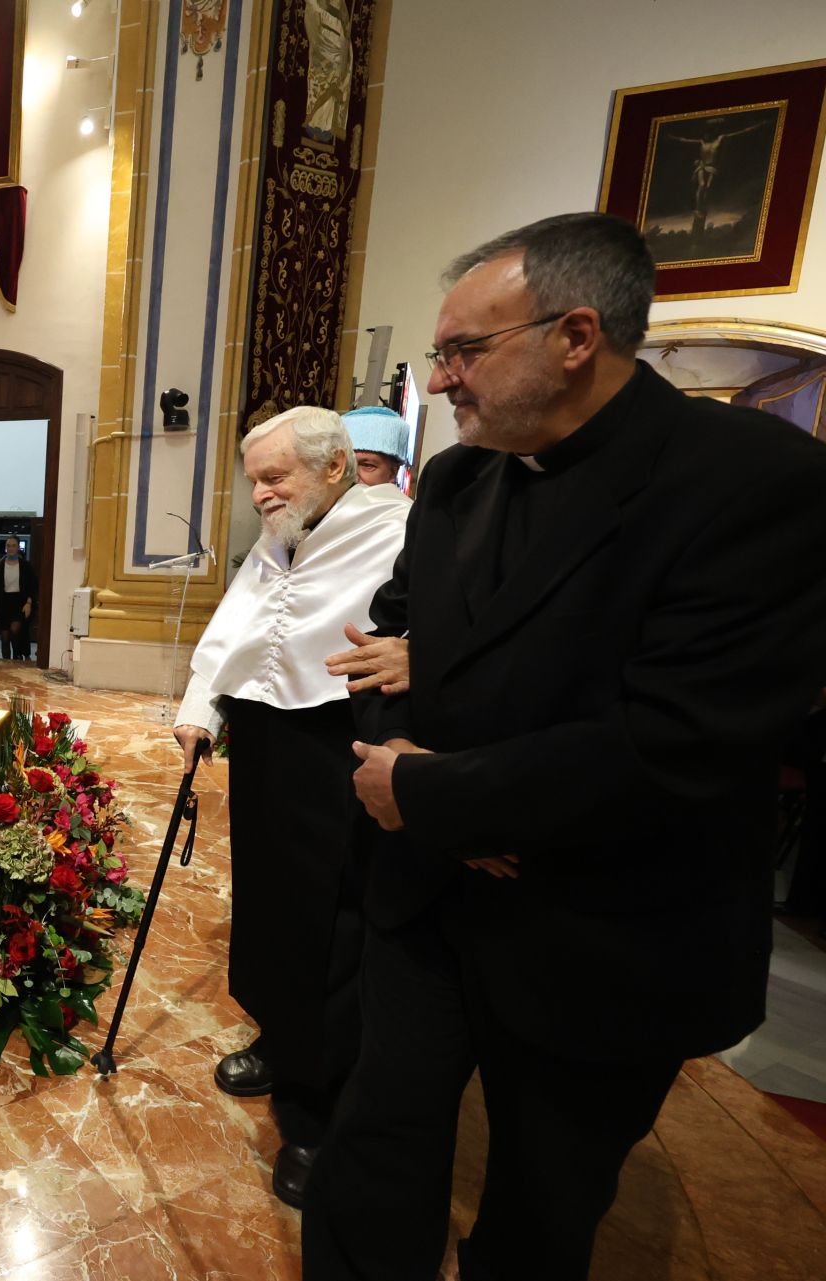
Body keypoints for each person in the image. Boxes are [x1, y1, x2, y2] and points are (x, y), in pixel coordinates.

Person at [304, 213, 826, 1281]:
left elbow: (682, 742)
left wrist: (449, 800)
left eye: (463, 353)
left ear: (576, 335)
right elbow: (385, 649)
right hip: (426, 902)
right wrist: (409, 779)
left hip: (601, 924)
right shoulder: (456, 483)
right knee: (375, 1148)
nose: (441, 382)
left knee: (544, 1208)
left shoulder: (754, 481)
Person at [171, 405, 409, 1209]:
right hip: (269, 737)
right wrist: (203, 707)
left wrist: (420, 653)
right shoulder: (280, 536)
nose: (262, 494)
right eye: (255, 481)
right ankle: (281, 1036)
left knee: (331, 918)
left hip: (338, 739)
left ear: (335, 464)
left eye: (276, 477)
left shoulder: (402, 527)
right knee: (270, 899)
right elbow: (235, 621)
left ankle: (319, 1108)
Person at [0, 536, 38, 661]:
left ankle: (17, 658)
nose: (11, 548)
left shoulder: (25, 566)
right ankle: (6, 662)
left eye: (13, 545)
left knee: (15, 630)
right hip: (3, 603)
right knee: (4, 636)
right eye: (8, 545)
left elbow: (32, 586)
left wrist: (29, 603)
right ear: (5, 547)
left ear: (18, 547)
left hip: (19, 602)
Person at [341, 404, 409, 489]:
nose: (353, 477)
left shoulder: (403, 503)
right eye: (346, 465)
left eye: (367, 465)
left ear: (392, 473)